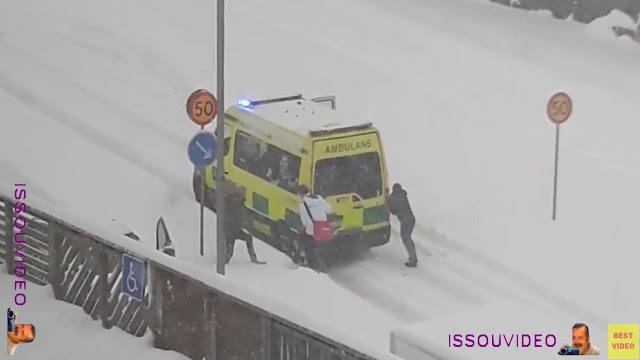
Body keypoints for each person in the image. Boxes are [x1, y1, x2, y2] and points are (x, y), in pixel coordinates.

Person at [223, 181, 265, 265]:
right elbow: (227, 211)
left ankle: (253, 258)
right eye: (243, 193)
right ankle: (223, 262)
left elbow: (244, 212)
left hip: (237, 229)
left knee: (248, 238)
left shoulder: (240, 202)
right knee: (229, 251)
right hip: (230, 230)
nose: (245, 195)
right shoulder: (231, 201)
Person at [297, 185, 333, 272]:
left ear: (301, 194)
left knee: (308, 246)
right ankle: (325, 263)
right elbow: (329, 210)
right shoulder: (320, 199)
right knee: (322, 246)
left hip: (312, 231)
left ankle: (312, 266)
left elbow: (305, 222)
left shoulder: (303, 205)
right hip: (323, 229)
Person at [388, 183, 418, 267]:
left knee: (406, 238)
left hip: (405, 221)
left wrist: (389, 203)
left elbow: (394, 211)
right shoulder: (403, 196)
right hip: (411, 219)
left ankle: (413, 259)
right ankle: (413, 257)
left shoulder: (396, 198)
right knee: (407, 238)